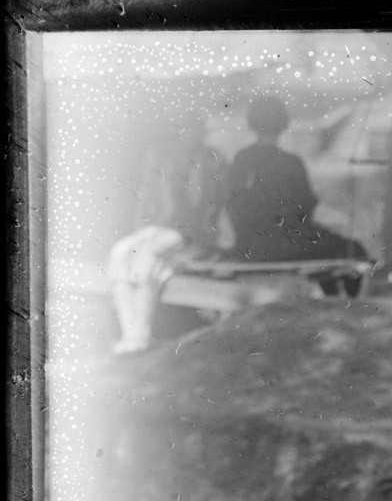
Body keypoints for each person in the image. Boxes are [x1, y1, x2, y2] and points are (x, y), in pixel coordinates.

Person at [107, 115, 226, 353]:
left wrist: (189, 173)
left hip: (190, 235)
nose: (189, 137)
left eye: (196, 131)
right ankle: (130, 334)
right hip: (157, 230)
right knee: (119, 252)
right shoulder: (163, 156)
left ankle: (141, 334)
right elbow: (148, 201)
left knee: (150, 257)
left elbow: (199, 208)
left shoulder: (208, 160)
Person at [224, 95, 367, 267]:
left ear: (251, 123)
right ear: (284, 123)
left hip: (249, 244)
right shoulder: (291, 162)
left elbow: (233, 203)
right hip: (288, 243)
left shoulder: (242, 159)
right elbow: (307, 205)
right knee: (353, 250)